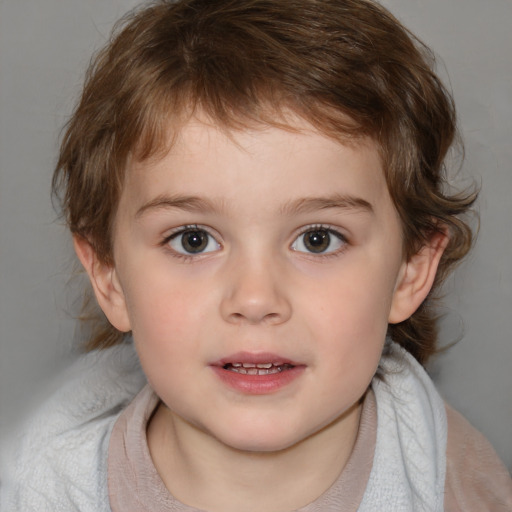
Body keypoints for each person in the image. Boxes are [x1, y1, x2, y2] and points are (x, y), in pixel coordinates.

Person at [1, 0, 511, 510]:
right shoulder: (42, 491)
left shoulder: (461, 490)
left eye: (318, 239)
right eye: (193, 240)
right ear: (109, 277)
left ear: (410, 271)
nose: (255, 298)